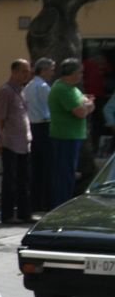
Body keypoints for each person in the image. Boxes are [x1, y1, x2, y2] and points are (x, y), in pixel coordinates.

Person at [48, 58, 96, 207]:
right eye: (80, 72)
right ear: (71, 73)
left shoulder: (72, 88)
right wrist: (88, 104)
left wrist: (86, 104)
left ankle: (65, 203)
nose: (82, 75)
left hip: (73, 136)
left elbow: (86, 106)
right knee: (65, 174)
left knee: (70, 173)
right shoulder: (62, 89)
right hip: (65, 136)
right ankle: (61, 205)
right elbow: (81, 112)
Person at [0, 58, 34, 224]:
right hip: (11, 142)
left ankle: (25, 213)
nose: (27, 75)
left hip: (24, 142)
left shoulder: (21, 90)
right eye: (23, 71)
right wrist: (2, 137)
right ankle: (8, 214)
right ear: (14, 72)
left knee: (24, 179)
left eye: (28, 72)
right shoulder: (6, 91)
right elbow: (0, 118)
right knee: (10, 179)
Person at [25, 57, 55, 212]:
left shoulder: (29, 86)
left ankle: (35, 201)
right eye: (51, 70)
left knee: (37, 166)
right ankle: (47, 201)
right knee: (47, 166)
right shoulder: (43, 86)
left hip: (33, 126)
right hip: (43, 126)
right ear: (43, 70)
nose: (53, 73)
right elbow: (52, 107)